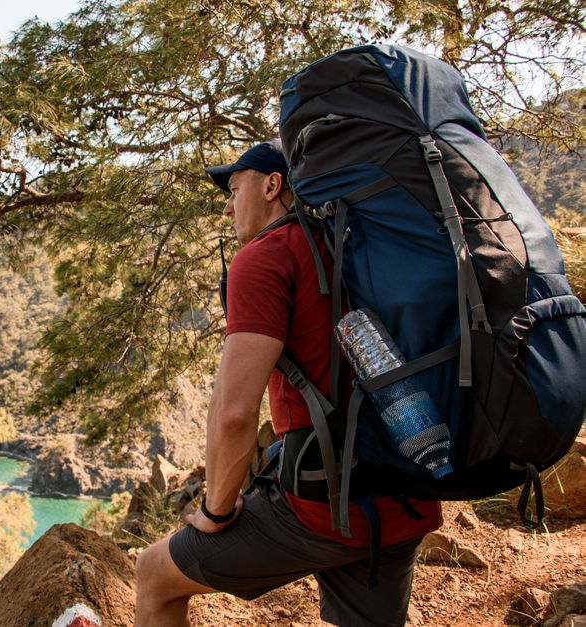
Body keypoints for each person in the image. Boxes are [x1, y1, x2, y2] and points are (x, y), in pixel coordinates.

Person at [134, 140, 442, 627]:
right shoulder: (354, 245)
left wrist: (216, 511)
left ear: (274, 185)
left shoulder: (264, 256)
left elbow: (235, 412)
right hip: (407, 490)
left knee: (152, 573)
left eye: (235, 189)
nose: (229, 205)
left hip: (323, 507)